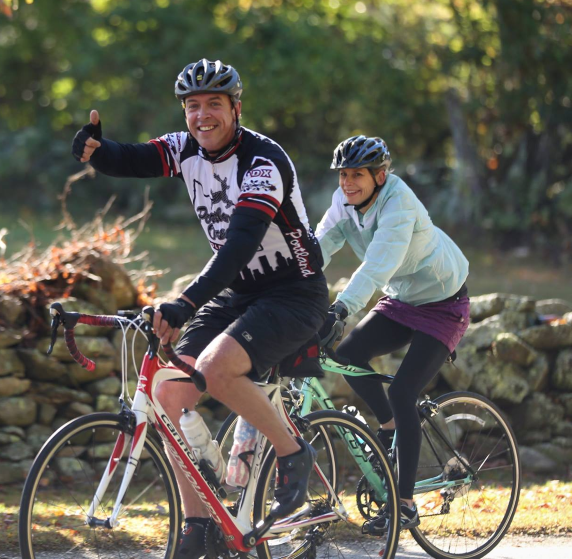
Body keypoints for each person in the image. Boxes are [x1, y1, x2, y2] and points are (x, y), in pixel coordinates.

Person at [72, 59, 329, 557]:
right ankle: (199, 526)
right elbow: (134, 159)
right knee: (169, 392)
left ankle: (293, 452)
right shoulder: (186, 147)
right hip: (239, 292)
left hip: (294, 293)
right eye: (193, 106)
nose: (202, 115)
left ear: (236, 107)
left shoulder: (263, 163)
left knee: (217, 369)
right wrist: (96, 152)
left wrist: (186, 302)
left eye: (215, 104)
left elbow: (236, 247)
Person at [314, 135, 470, 534]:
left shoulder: (400, 205)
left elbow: (376, 267)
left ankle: (404, 504)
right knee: (345, 358)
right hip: (402, 299)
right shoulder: (343, 200)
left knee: (403, 392)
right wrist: (287, 284)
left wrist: (342, 309)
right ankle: (389, 428)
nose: (348, 183)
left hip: (442, 304)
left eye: (358, 175)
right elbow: (319, 247)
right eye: (343, 175)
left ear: (380, 176)